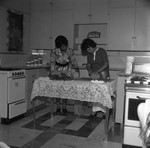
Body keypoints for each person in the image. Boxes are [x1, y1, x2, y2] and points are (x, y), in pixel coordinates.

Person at [49, 35, 80, 114]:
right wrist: (55, 73)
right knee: (57, 90)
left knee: (65, 90)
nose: (64, 47)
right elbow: (52, 64)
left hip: (67, 72)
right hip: (57, 71)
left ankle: (64, 107)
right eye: (62, 46)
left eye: (65, 45)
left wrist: (77, 71)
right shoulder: (54, 51)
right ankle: (58, 106)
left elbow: (74, 62)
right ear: (58, 46)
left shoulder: (70, 51)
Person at [80, 38, 110, 117]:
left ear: (91, 46)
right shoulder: (89, 54)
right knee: (94, 93)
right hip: (94, 76)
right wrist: (90, 72)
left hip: (103, 74)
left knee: (103, 93)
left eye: (88, 49)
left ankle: (104, 111)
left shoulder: (102, 51)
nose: (88, 52)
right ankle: (95, 111)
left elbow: (106, 64)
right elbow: (89, 65)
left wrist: (98, 71)